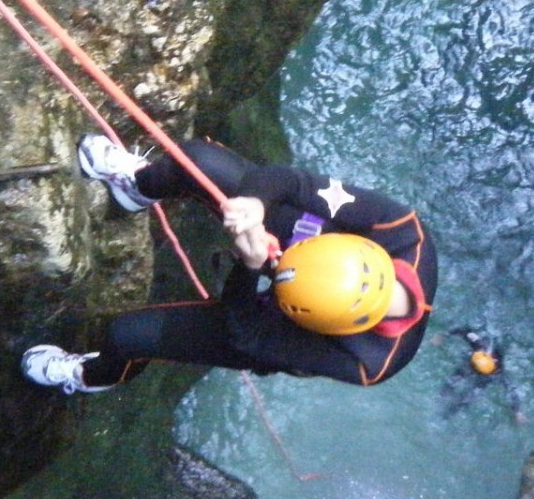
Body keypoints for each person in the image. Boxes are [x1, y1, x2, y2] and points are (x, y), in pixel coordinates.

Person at [22, 136, 436, 392]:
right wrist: (253, 206)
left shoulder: (364, 361)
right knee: (198, 161)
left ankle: (93, 376)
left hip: (273, 326)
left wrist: (250, 267)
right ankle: (138, 187)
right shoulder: (402, 231)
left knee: (127, 336)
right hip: (300, 244)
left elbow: (244, 335)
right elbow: (295, 182)